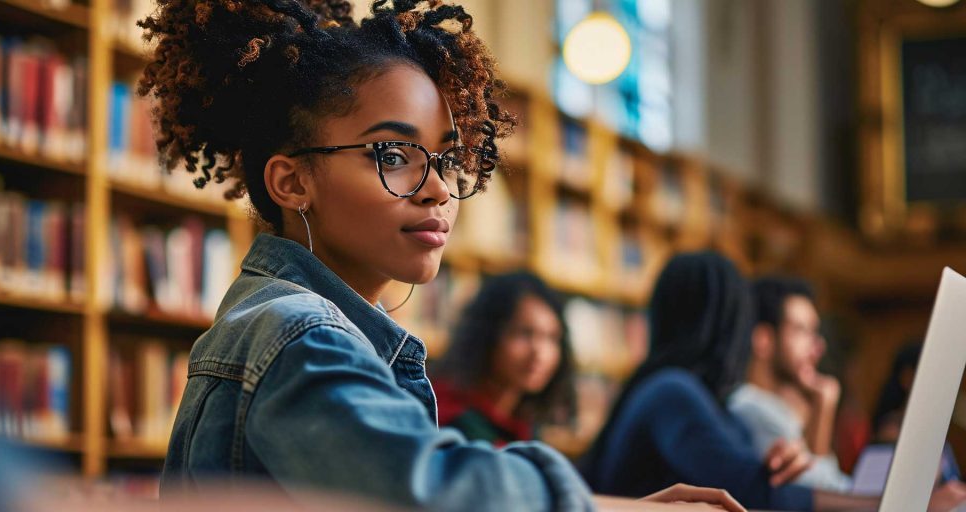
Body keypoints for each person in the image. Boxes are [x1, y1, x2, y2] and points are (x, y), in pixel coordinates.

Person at [140, 1, 744, 511]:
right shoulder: (294, 332)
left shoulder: (291, 323)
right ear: (292, 183)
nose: (439, 189)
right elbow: (435, 492)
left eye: (447, 158)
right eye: (393, 154)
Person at [580, 252, 966, 511]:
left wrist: (774, 461)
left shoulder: (683, 396)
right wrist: (893, 506)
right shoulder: (671, 392)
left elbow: (751, 475)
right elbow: (748, 493)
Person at [728, 277, 852, 492]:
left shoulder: (776, 408)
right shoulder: (749, 408)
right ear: (763, 339)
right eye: (801, 330)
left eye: (815, 331)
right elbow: (826, 492)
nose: (818, 347)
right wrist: (824, 404)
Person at [432, 271, 576, 446]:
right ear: (487, 335)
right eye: (524, 333)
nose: (540, 353)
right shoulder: (446, 417)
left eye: (551, 338)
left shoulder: (522, 425)